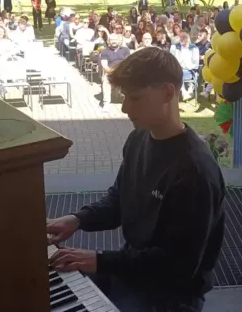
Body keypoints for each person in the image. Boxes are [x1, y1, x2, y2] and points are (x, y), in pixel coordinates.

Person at [47, 47, 226, 312]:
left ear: (168, 93)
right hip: (132, 269)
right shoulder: (139, 137)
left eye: (135, 98)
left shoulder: (194, 174)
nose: (124, 107)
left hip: (169, 294)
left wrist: (99, 260)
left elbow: (177, 266)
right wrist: (78, 219)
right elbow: (120, 199)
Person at [98, 34, 130, 111]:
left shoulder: (125, 50)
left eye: (115, 39)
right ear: (108, 41)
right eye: (111, 39)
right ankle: (106, 103)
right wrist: (112, 72)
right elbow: (104, 65)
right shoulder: (105, 51)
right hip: (111, 72)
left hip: (123, 72)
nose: (114, 41)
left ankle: (129, 103)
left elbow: (128, 62)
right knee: (106, 80)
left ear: (119, 41)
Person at [172, 32, 200, 101]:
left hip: (189, 71)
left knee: (180, 73)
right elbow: (171, 60)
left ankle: (186, 91)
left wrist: (187, 67)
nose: (182, 39)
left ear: (188, 39)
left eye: (184, 37)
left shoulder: (194, 48)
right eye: (180, 37)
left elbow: (196, 64)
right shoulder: (175, 47)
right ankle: (184, 92)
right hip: (177, 71)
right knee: (178, 73)